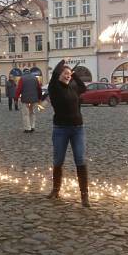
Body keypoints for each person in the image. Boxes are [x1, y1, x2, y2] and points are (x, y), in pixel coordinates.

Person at [46, 59, 90, 207]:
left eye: (68, 74)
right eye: (65, 73)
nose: (67, 76)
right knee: (58, 160)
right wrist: (63, 63)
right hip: (60, 129)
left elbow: (83, 88)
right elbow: (54, 75)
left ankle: (84, 196)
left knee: (80, 160)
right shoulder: (54, 87)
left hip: (78, 128)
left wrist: (75, 74)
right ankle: (55, 190)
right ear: (59, 75)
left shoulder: (73, 87)